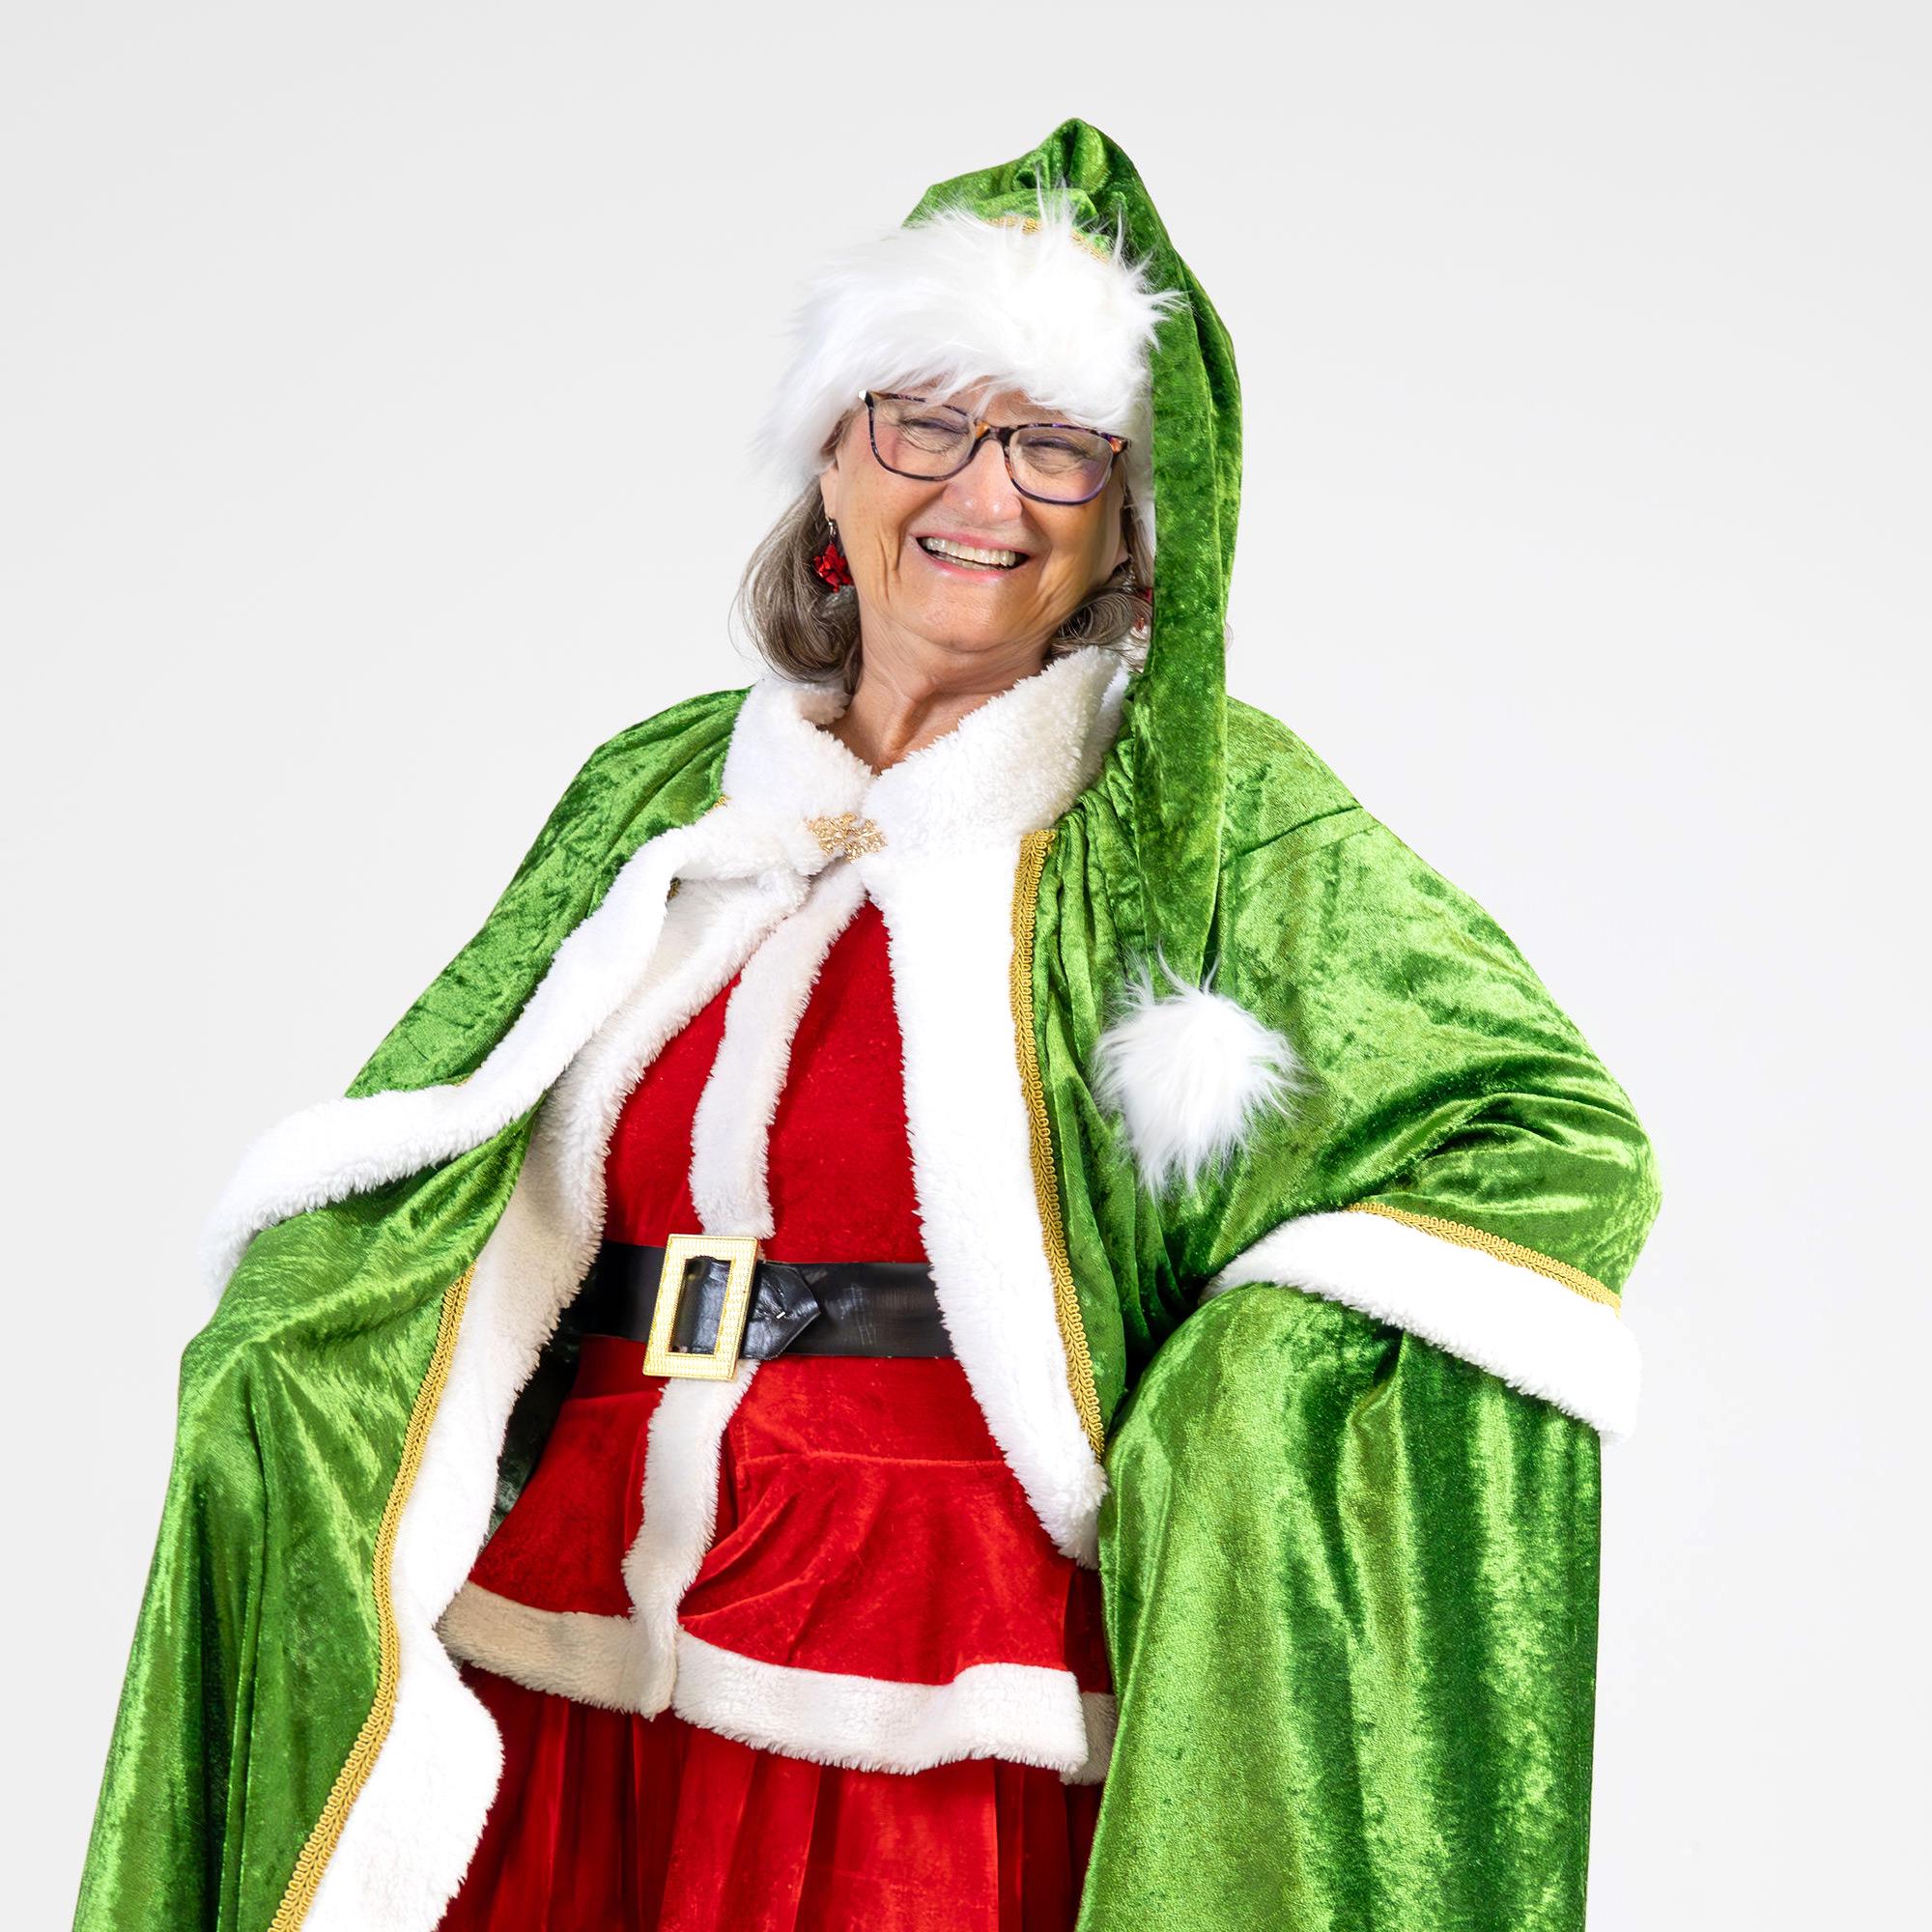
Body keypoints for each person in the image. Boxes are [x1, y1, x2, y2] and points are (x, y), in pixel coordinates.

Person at [73, 119, 1662, 1932]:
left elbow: (1550, 1134)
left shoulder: (1212, 819)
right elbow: (444, 1148)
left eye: (1057, 446)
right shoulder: (663, 786)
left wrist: (1254, 1389)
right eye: (927, 422)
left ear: (1128, 522)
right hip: (575, 1637)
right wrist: (295, 1353)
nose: (984, 492)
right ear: (834, 461)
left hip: (925, 1680)